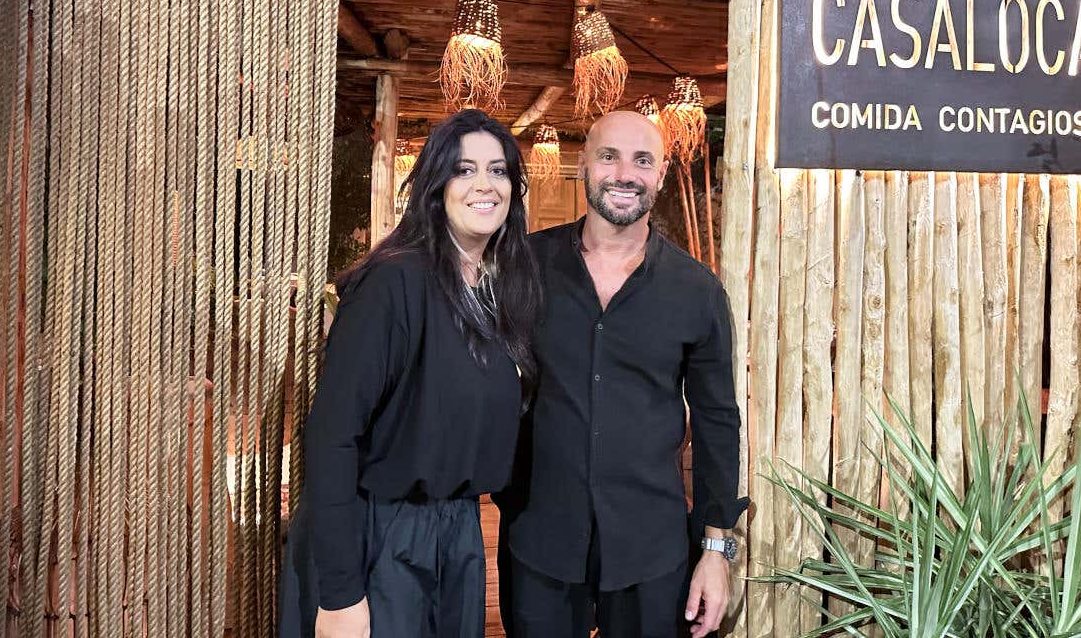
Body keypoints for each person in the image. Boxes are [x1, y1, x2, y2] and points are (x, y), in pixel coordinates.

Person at [280, 108, 541, 638]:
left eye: (498, 170)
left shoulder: (501, 289)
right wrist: (340, 593)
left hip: (459, 532)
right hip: (380, 534)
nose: (484, 185)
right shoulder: (392, 282)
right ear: (435, 186)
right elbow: (332, 437)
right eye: (464, 170)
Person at [501, 110, 748, 638]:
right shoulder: (524, 266)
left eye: (642, 161)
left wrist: (715, 551)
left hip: (651, 550)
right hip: (540, 539)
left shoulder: (697, 291)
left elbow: (717, 423)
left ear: (660, 174)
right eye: (609, 157)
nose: (624, 174)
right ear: (584, 165)